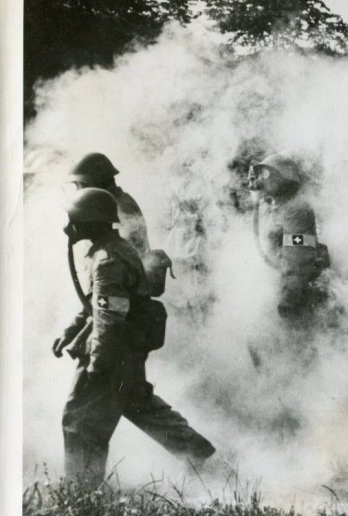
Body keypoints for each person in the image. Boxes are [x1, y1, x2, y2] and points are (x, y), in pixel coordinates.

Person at [52, 188, 215, 484]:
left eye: (75, 220)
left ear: (93, 222)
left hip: (113, 352)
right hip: (127, 350)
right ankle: (197, 453)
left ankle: (82, 496)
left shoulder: (107, 260)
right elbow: (96, 303)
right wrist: (71, 331)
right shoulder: (113, 250)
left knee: (79, 420)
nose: (69, 227)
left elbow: (108, 319)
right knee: (140, 405)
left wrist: (98, 365)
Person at [248, 152, 330, 324]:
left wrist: (287, 300)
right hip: (282, 283)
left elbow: (297, 257)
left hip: (297, 292)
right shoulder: (275, 206)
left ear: (282, 177)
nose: (260, 179)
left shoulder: (295, 210)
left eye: (266, 173)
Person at [70, 152, 149, 256]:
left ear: (91, 184)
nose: (78, 191)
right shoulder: (117, 202)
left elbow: (123, 254)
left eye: (78, 185)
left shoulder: (118, 207)